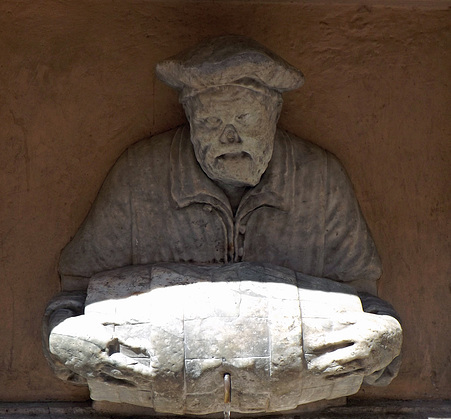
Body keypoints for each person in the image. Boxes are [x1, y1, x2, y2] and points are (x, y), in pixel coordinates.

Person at [44, 36, 401, 388]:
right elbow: (76, 296)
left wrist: (385, 338)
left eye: (245, 119)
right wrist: (66, 338)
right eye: (211, 123)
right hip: (155, 416)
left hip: (301, 409)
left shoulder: (319, 179)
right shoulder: (141, 176)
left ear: (274, 115)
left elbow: (363, 302)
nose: (230, 137)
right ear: (190, 121)